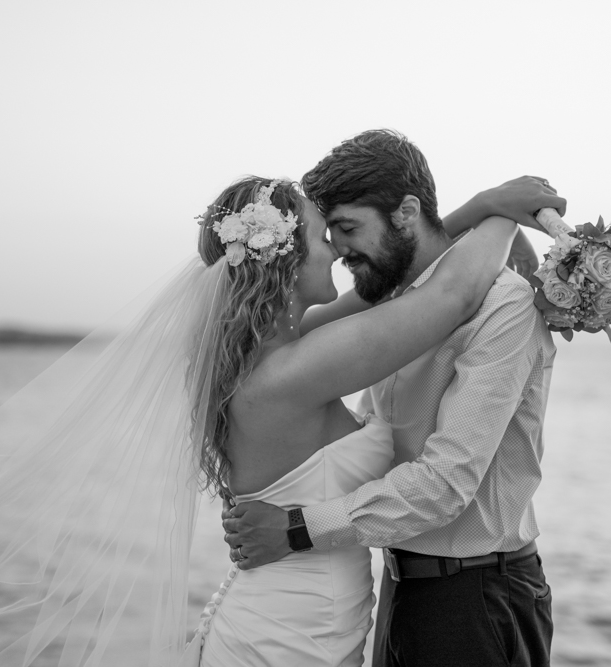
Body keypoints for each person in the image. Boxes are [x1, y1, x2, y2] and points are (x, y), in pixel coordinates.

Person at [0, 155, 560, 665]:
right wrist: (499, 206)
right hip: (292, 634)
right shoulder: (293, 370)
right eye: (324, 237)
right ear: (281, 260)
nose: (339, 256)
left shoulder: (277, 350)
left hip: (312, 620)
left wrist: (447, 219)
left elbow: (394, 283)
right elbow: (444, 299)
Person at [223, 130, 560, 667]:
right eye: (328, 231)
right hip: (399, 590)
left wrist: (295, 527)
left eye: (348, 228)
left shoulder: (503, 304)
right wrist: (487, 210)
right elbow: (437, 287)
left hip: (475, 596)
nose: (336, 249)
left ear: (405, 212)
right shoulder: (391, 308)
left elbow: (446, 483)